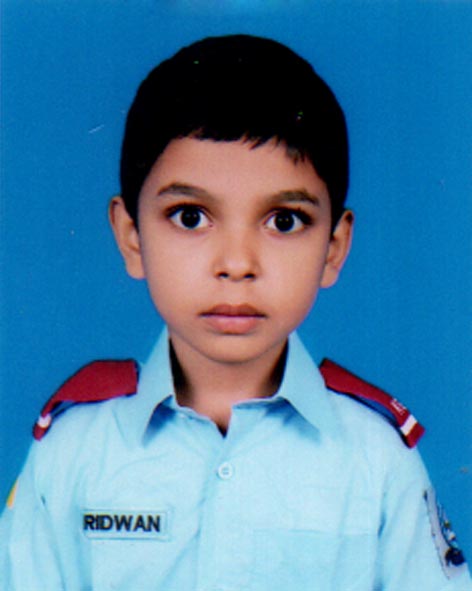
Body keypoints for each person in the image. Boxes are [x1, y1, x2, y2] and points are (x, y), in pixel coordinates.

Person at [1, 34, 470, 591]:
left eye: (284, 221)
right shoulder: (74, 450)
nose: (237, 263)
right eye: (191, 217)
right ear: (131, 237)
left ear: (334, 248)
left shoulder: (376, 458)